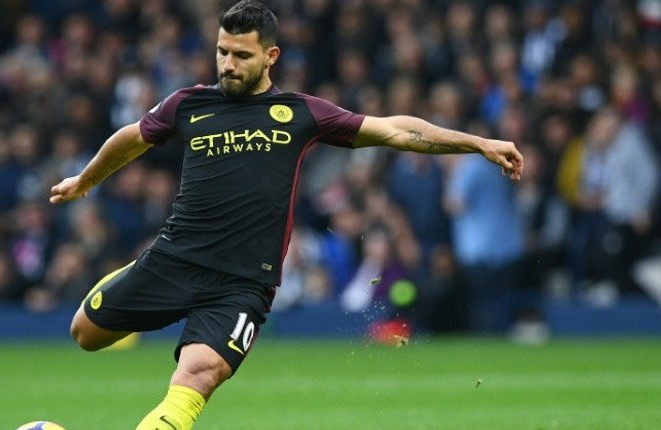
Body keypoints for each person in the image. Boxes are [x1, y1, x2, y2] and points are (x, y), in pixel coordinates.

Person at [49, 1, 524, 429]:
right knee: (84, 334)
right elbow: (132, 136)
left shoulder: (299, 113)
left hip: (240, 283)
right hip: (174, 258)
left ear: (270, 57)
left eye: (241, 56)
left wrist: (477, 143)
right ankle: (138, 270)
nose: (228, 66)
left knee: (198, 374)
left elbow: (397, 130)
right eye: (222, 52)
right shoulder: (189, 104)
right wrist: (86, 180)